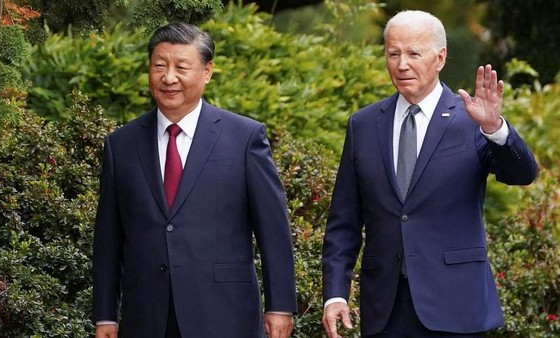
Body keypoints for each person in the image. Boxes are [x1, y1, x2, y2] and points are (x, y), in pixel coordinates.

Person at [321, 10, 537, 338]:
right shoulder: (364, 125)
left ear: (440, 57)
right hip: (386, 309)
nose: (402, 64)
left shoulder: (472, 121)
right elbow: (343, 223)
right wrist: (335, 293)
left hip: (456, 306)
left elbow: (521, 173)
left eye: (413, 53)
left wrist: (495, 129)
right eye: (393, 54)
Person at [92, 22, 297, 338]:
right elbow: (108, 238)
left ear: (207, 71)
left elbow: (273, 229)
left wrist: (280, 305)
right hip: (147, 316)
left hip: (226, 314)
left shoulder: (244, 138)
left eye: (181, 67)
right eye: (160, 66)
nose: (169, 77)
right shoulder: (122, 144)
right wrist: (105, 315)